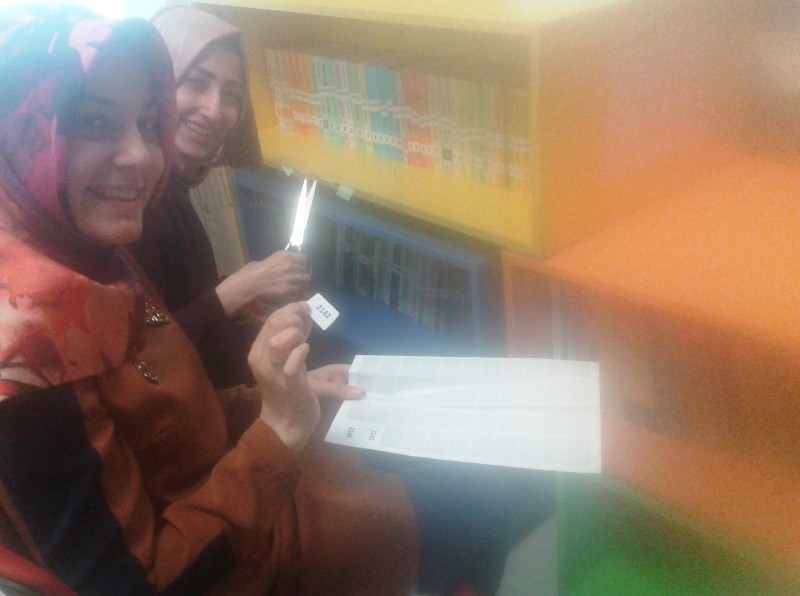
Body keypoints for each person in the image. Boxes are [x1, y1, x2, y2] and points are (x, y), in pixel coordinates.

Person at [0, 5, 553, 595]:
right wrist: (279, 432)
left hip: (240, 476)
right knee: (490, 501)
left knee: (462, 469)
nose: (140, 155)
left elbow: (168, 414)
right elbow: (143, 585)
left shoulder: (95, 256)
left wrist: (278, 399)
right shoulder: (29, 368)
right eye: (92, 121)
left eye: (146, 122)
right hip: (244, 553)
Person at [129, 5, 310, 388]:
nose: (215, 110)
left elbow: (179, 296)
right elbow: (144, 358)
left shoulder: (172, 184)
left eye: (231, 94)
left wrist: (247, 293)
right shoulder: (132, 202)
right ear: (155, 85)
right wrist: (241, 286)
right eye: (196, 83)